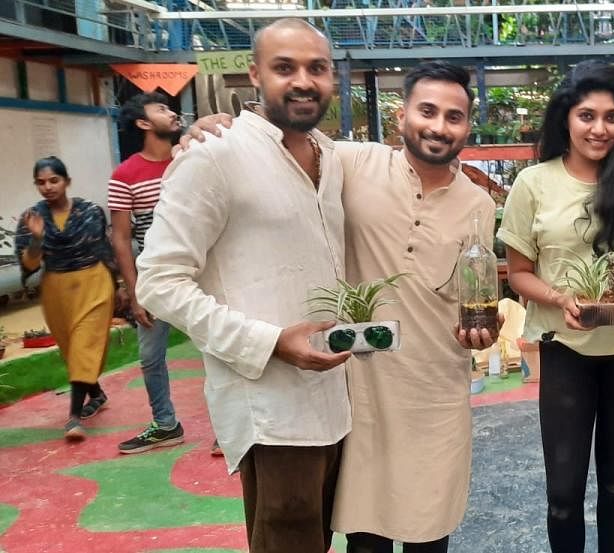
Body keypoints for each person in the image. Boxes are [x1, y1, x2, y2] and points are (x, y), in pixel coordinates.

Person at [181, 60, 500, 552]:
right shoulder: (350, 162)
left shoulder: (477, 204)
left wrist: (482, 329)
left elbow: (469, 295)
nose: (439, 126)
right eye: (428, 111)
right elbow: (280, 147)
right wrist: (210, 128)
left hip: (435, 391)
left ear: (467, 126)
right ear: (402, 117)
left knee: (430, 532)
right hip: (361, 387)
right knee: (366, 537)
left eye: (454, 116)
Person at [136, 18, 352, 553]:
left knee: (319, 537)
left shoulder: (332, 157)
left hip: (337, 397)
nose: (303, 81)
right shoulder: (214, 154)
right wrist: (270, 342)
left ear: (332, 79)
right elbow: (158, 282)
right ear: (254, 74)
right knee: (287, 537)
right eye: (285, 68)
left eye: (316, 68)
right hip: (270, 404)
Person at [497, 60, 614, 553]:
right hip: (564, 347)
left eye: (612, 117)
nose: (599, 129)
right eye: (587, 115)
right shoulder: (533, 183)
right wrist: (560, 297)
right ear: (566, 118)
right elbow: (518, 274)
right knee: (563, 492)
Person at [15, 156, 117, 441]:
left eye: (53, 180)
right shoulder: (31, 218)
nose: (47, 187)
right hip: (57, 291)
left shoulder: (90, 211)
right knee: (73, 350)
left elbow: (103, 249)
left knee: (84, 346)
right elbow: (30, 265)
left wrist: (120, 287)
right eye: (41, 182)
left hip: (93, 283)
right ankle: (96, 394)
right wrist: (36, 239)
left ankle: (73, 418)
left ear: (66, 181)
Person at [109, 92, 186, 454]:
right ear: (143, 123)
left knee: (221, 350)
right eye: (161, 109)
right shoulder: (125, 175)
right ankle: (165, 424)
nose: (172, 113)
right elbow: (122, 239)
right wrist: (136, 291)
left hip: (201, 270)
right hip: (155, 275)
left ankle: (230, 426)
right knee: (150, 357)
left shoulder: (191, 159)